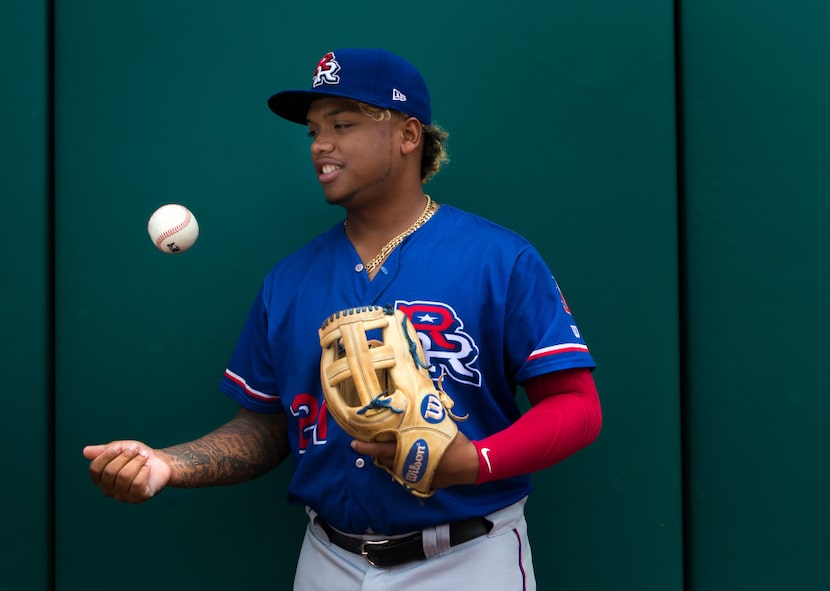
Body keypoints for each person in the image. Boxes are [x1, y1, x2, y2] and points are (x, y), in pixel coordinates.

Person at [83, 48, 602, 590]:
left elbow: (577, 407)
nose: (321, 145)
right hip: (328, 560)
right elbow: (264, 427)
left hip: (467, 557)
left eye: (343, 123)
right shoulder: (288, 281)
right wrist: (170, 464)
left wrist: (472, 461)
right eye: (312, 131)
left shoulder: (500, 260)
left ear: (408, 135)